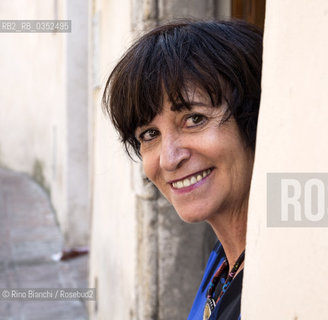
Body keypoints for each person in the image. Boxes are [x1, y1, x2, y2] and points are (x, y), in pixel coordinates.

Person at [102, 20, 263, 319]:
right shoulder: (222, 264)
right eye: (149, 134)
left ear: (252, 121)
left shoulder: (277, 283)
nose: (168, 159)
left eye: (194, 119)